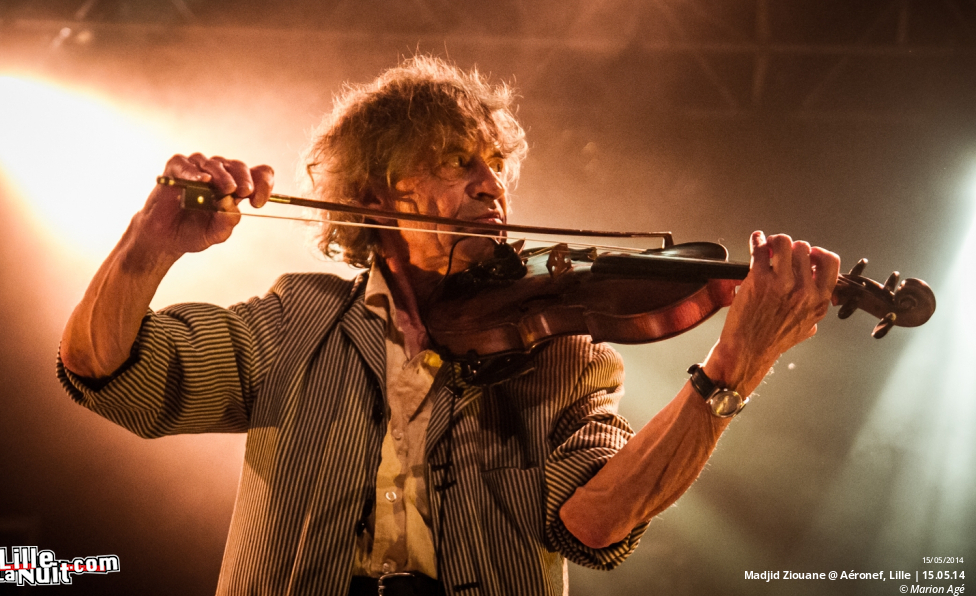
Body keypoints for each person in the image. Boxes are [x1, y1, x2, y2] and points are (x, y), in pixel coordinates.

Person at [57, 56, 839, 596]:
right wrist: (150, 240)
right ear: (380, 194)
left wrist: (736, 363)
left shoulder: (561, 353)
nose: (491, 182)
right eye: (458, 162)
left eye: (494, 164)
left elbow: (592, 523)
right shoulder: (298, 319)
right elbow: (108, 373)